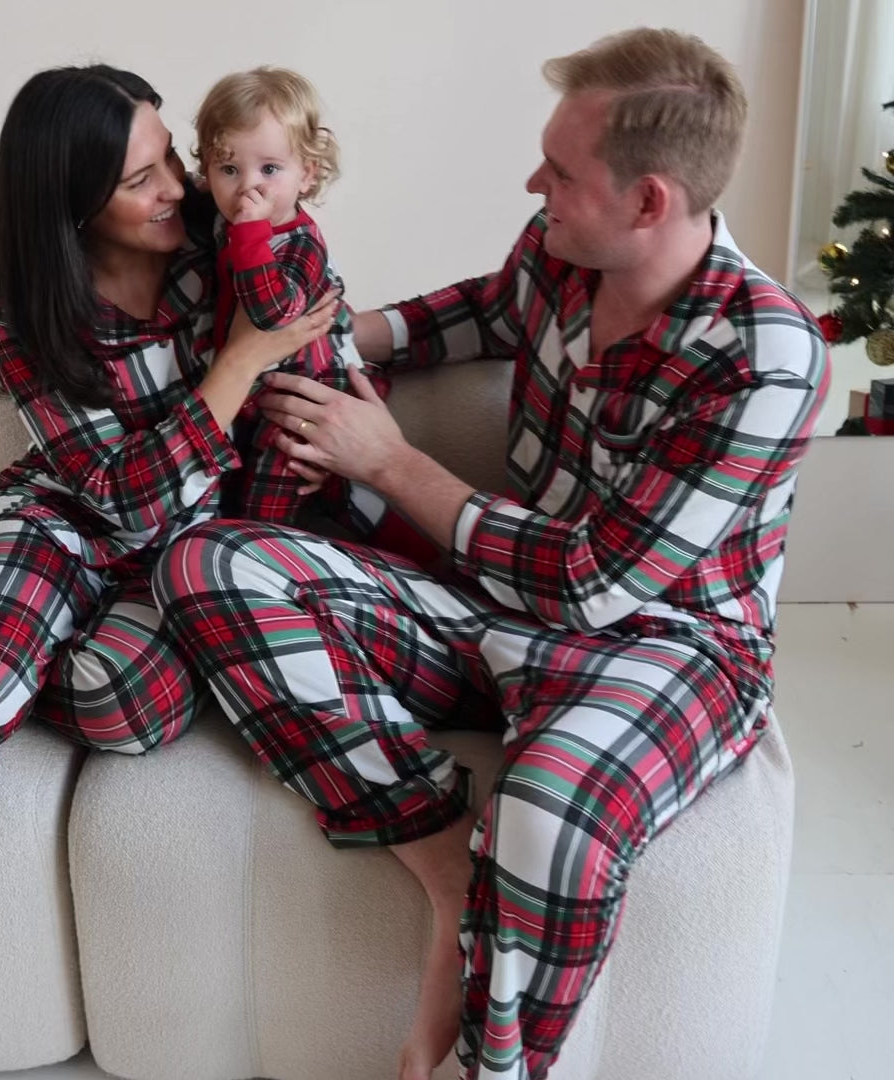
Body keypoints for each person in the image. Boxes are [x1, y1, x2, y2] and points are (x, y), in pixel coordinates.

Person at [152, 27, 830, 1080]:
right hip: (493, 609)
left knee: (549, 811)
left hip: (668, 648)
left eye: (560, 170)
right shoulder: (559, 252)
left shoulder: (766, 354)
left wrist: (391, 463)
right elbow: (483, 310)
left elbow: (598, 583)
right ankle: (440, 861)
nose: (532, 183)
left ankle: (484, 1066)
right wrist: (329, 338)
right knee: (206, 564)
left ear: (648, 201)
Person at [0, 62, 335, 908]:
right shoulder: (24, 319)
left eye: (173, 158)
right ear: (74, 203)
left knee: (130, 705)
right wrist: (240, 361)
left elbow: (319, 312)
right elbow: (124, 495)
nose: (178, 187)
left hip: (185, 553)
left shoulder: (225, 241)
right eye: (140, 180)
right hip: (63, 517)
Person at [194, 65, 435, 562]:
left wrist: (249, 235)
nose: (249, 188)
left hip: (302, 405)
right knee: (318, 497)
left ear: (307, 173)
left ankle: (429, 562)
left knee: (265, 515)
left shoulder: (299, 244)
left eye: (269, 169)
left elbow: (272, 313)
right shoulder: (229, 219)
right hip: (256, 396)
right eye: (229, 169)